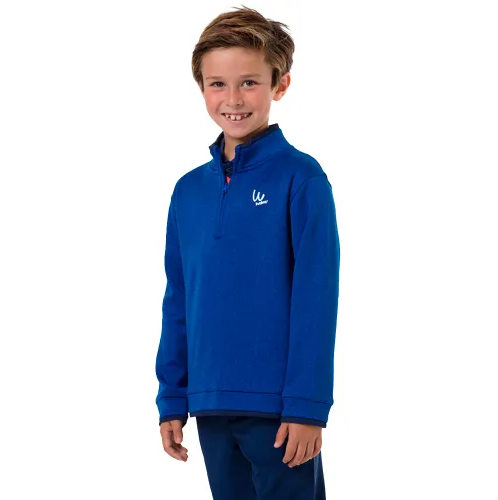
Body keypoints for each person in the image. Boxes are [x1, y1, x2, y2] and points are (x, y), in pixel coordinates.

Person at [155, 5, 340, 499]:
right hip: (210, 402)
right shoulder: (188, 191)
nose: (233, 99)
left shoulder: (302, 179)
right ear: (201, 88)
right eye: (218, 84)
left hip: (280, 411)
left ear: (280, 85)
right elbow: (179, 298)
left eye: (249, 83)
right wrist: (172, 396)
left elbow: (316, 299)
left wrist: (307, 406)